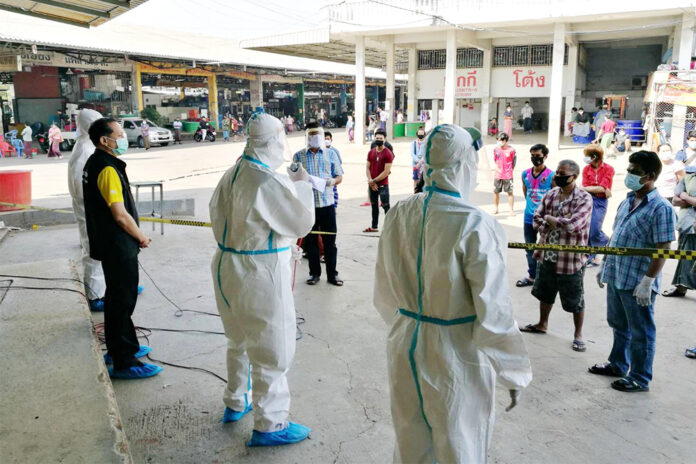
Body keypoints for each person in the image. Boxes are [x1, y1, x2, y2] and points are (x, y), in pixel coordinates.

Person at [373, 124, 532, 463]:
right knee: (459, 440)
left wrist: (410, 322)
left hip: (405, 340)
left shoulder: (399, 213)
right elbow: (494, 309)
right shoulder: (475, 223)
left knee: (410, 436)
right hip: (455, 351)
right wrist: (511, 369)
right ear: (464, 166)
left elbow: (384, 289)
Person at [210, 112, 315, 447]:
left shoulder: (232, 173)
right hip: (259, 272)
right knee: (273, 346)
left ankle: (235, 401)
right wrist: (302, 185)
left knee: (238, 339)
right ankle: (271, 425)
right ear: (274, 140)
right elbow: (300, 224)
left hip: (227, 265)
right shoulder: (266, 180)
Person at [591, 151, 676, 392]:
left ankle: (640, 377)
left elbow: (663, 248)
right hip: (617, 275)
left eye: (634, 172)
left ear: (649, 176)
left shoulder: (661, 208)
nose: (628, 175)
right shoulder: (627, 200)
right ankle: (617, 364)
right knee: (618, 324)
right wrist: (605, 264)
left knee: (641, 332)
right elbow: (616, 235)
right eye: (629, 170)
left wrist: (648, 281)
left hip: (637, 282)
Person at [83, 118, 160, 379]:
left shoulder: (96, 162)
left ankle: (123, 346)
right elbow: (119, 214)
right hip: (118, 244)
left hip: (109, 242)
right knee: (122, 300)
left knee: (118, 298)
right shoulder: (106, 168)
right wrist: (140, 237)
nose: (123, 137)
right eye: (119, 134)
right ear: (105, 140)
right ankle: (123, 360)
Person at [521, 160, 592, 352]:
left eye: (563, 174)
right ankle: (542, 324)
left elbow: (575, 226)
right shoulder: (551, 194)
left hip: (570, 259)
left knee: (575, 298)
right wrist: (549, 222)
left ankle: (578, 335)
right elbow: (536, 218)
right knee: (545, 293)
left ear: (574, 177)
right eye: (558, 173)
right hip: (547, 255)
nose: (558, 177)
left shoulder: (584, 198)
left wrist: (552, 220)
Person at [293, 122, 344, 286]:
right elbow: (293, 179)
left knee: (330, 242)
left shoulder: (331, 154)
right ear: (307, 136)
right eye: (311, 134)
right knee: (311, 243)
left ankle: (332, 274)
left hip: (327, 204)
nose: (315, 138)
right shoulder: (299, 156)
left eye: (317, 134)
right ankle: (314, 273)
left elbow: (339, 176)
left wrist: (331, 182)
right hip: (308, 206)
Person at [68, 109, 106, 312]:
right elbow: (79, 186)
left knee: (106, 250)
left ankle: (110, 288)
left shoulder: (90, 145)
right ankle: (95, 296)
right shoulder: (84, 149)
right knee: (93, 252)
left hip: (97, 209)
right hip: (89, 209)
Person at [517, 144, 554, 288]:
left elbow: (556, 196)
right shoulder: (525, 174)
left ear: (545, 156)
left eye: (538, 155)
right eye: (532, 155)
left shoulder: (552, 175)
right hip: (528, 217)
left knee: (547, 248)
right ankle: (533, 276)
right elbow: (525, 192)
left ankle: (545, 277)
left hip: (545, 219)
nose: (535, 158)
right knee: (529, 248)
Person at [661, 170, 696, 298]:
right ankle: (681, 288)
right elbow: (675, 200)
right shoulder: (688, 177)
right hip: (686, 224)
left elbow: (681, 197)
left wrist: (686, 197)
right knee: (684, 257)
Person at [581, 145, 615, 267]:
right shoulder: (586, 169)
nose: (585, 158)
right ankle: (591, 256)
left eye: (587, 155)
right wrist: (597, 188)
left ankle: (607, 242)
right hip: (587, 199)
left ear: (594, 156)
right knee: (587, 228)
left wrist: (588, 188)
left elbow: (602, 187)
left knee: (595, 227)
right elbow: (586, 186)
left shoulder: (609, 169)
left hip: (601, 201)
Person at [363, 130, 394, 233]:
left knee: (386, 206)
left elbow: (386, 172)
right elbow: (367, 168)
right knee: (374, 206)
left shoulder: (388, 153)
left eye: (381, 138)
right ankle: (374, 226)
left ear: (384, 139)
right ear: (374, 138)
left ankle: (391, 229)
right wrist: (370, 181)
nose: (379, 140)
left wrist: (374, 181)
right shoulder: (371, 152)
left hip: (383, 185)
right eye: (377, 138)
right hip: (372, 184)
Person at [493, 132, 516, 215]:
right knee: (496, 192)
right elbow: (495, 159)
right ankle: (496, 208)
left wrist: (509, 170)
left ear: (505, 141)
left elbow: (514, 162)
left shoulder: (512, 150)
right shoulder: (496, 149)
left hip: (508, 175)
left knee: (510, 192)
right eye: (498, 140)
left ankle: (511, 209)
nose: (499, 142)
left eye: (500, 140)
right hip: (498, 175)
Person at [324, 131, 342, 207]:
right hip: (325, 176)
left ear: (331, 140)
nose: (326, 140)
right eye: (324, 139)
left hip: (333, 176)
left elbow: (339, 162)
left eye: (327, 139)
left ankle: (334, 207)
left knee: (333, 192)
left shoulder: (334, 151)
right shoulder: (321, 151)